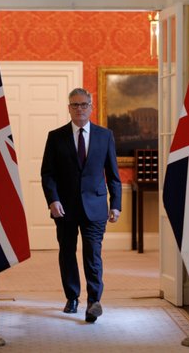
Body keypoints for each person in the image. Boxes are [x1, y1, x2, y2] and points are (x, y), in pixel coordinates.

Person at [40, 88, 121, 323]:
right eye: (75, 105)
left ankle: (94, 301)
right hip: (64, 207)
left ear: (91, 107)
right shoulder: (55, 137)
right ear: (68, 108)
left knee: (93, 254)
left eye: (84, 104)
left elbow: (113, 175)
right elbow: (47, 174)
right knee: (67, 253)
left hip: (95, 206)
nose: (79, 109)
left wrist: (115, 204)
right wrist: (53, 200)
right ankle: (72, 297)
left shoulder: (105, 136)